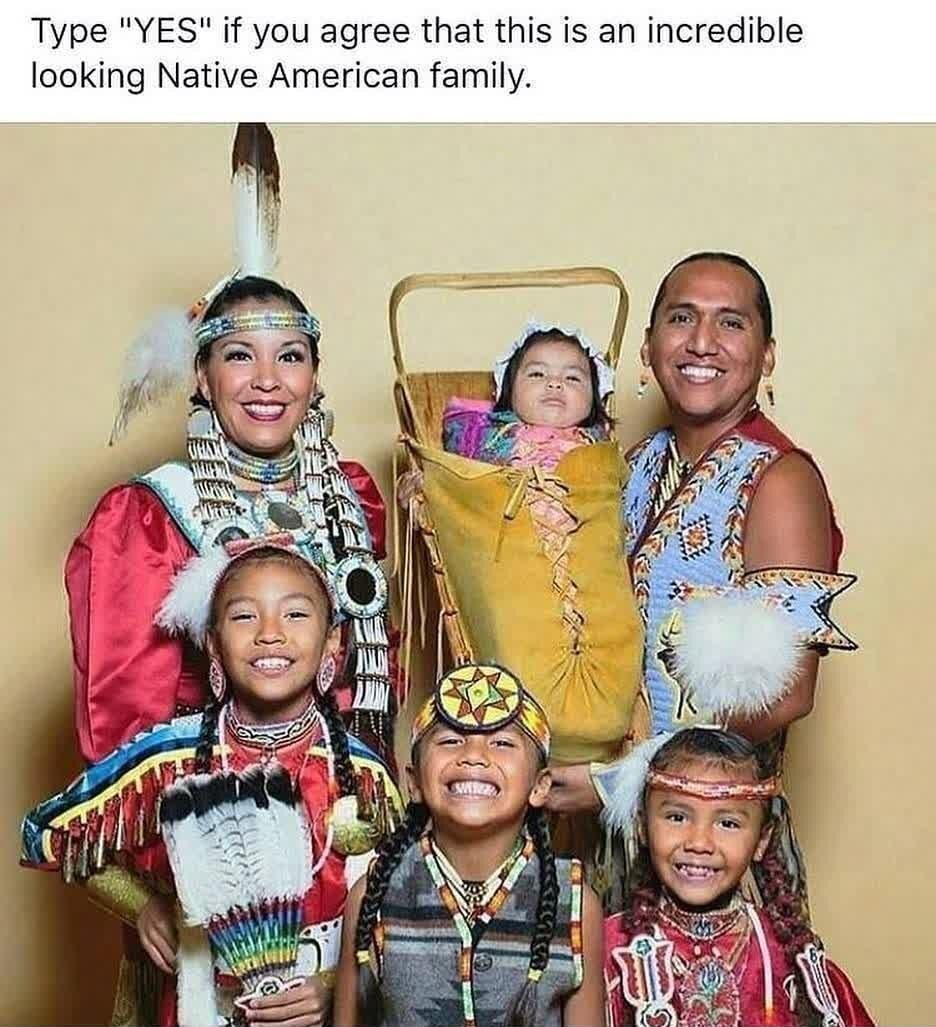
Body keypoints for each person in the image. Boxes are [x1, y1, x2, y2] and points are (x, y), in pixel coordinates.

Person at [22, 541, 401, 1027]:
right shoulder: (165, 760)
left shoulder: (363, 774)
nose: (270, 635)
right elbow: (48, 834)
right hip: (197, 1007)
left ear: (333, 643)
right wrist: (143, 907)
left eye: (296, 616)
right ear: (213, 645)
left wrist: (332, 986)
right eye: (244, 617)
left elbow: (402, 906)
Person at [549, 252, 856, 822]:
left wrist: (628, 781)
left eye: (731, 322)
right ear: (647, 348)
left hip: (714, 835)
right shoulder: (634, 465)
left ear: (767, 357)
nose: (702, 343)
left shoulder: (779, 478)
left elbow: (785, 693)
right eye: (682, 317)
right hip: (617, 834)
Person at [331, 663, 605, 1027]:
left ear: (540, 787)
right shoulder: (372, 898)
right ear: (413, 782)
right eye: (450, 741)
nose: (474, 755)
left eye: (503, 743)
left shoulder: (574, 904)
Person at [603, 727, 874, 1027]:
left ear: (762, 840)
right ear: (642, 826)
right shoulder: (607, 952)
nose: (699, 842)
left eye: (728, 823)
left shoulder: (790, 959)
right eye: (677, 817)